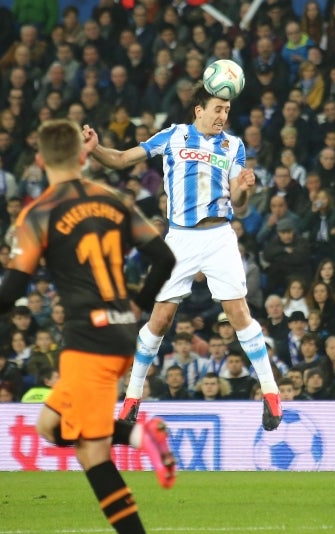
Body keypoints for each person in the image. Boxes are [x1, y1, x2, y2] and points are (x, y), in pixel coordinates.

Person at [0, 119, 177, 534]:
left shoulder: (40, 212)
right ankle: (139, 436)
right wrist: (138, 305)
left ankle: (142, 437)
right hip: (122, 331)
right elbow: (164, 259)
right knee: (48, 427)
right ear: (82, 155)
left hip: (88, 341)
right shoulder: (112, 198)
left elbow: (14, 285)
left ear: (38, 160)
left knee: (93, 453)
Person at [83, 83, 284, 431]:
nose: (223, 116)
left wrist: (242, 187)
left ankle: (271, 394)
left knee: (238, 313)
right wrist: (94, 148)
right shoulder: (173, 136)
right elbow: (120, 159)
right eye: (217, 109)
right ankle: (132, 398)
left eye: (226, 110)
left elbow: (240, 205)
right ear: (199, 111)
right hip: (180, 239)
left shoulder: (233, 145)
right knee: (160, 319)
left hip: (220, 236)